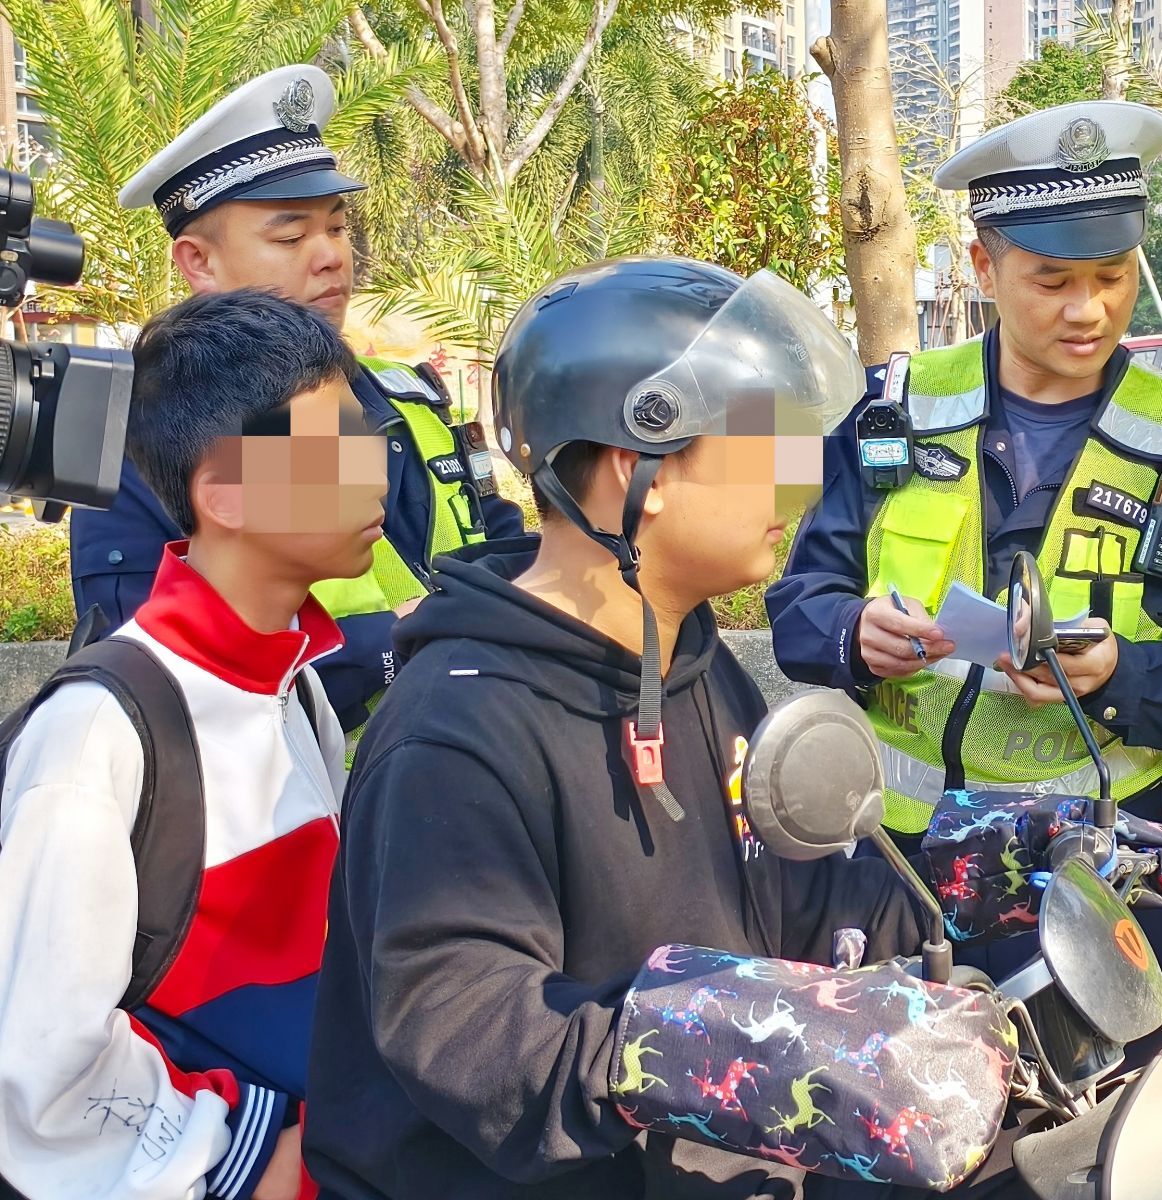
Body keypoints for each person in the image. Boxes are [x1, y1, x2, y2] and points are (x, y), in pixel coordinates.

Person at [303, 258, 1047, 1199]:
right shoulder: (457, 727)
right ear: (637, 468)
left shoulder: (686, 657)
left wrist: (1001, 868)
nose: (798, 478)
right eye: (763, 441)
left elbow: (793, 887)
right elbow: (467, 1023)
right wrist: (711, 1043)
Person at [766, 101, 1162, 1064]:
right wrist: (853, 634)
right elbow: (797, 596)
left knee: (1093, 1149)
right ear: (983, 267)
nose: (1087, 309)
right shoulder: (893, 416)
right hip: (895, 878)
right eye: (1052, 280)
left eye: (1112, 277)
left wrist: (1120, 675)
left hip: (1097, 889)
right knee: (897, 1141)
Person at [0, 291, 385, 1199]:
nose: (374, 473)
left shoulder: (294, 682)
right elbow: (36, 1065)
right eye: (334, 448)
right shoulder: (102, 729)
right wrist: (245, 1158)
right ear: (224, 494)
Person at [74, 64, 523, 740]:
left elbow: (501, 547)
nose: (330, 257)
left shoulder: (412, 399)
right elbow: (158, 672)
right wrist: (398, 644)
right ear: (198, 262)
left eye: (338, 229)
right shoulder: (138, 438)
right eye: (290, 236)